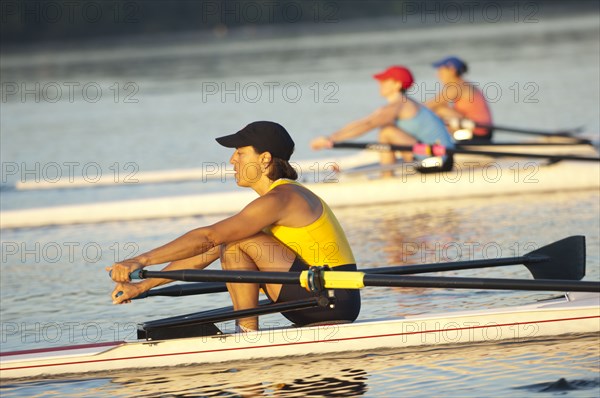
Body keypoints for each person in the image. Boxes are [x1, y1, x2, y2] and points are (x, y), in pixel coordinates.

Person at [107, 121, 361, 332]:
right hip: (321, 297)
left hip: (331, 299)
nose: (232, 160)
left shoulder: (282, 198)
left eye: (240, 153)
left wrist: (140, 260)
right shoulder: (278, 199)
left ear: (264, 159)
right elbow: (206, 253)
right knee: (232, 242)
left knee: (234, 241)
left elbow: (209, 237)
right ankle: (247, 333)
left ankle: (247, 334)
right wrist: (143, 286)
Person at [311, 65, 454, 175]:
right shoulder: (401, 103)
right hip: (437, 156)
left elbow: (368, 124)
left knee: (386, 132)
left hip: (438, 161)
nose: (380, 84)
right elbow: (366, 121)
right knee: (386, 131)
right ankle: (388, 174)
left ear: (397, 85)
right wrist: (333, 138)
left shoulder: (400, 105)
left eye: (385, 81)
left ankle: (387, 178)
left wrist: (330, 138)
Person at [425, 56, 493, 141]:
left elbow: (429, 105)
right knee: (440, 111)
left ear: (452, 70)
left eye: (441, 71)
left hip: (478, 131)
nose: (438, 75)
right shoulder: (464, 84)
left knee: (440, 110)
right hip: (482, 130)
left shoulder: (458, 86)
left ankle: (434, 142)